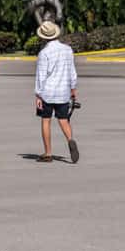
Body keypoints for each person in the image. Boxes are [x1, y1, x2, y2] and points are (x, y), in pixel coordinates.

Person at [33, 20, 79, 164]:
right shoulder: (67, 50)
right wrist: (73, 88)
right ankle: (71, 140)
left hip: (47, 92)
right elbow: (72, 71)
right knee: (63, 120)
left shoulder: (44, 53)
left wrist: (38, 94)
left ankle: (48, 153)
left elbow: (41, 75)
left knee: (46, 120)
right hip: (63, 91)